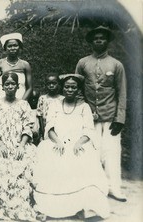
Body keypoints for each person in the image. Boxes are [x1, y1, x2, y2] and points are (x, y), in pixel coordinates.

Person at [33, 74, 110, 220]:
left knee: (82, 161)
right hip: (57, 142)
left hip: (78, 143)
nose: (70, 89)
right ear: (63, 88)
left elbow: (88, 130)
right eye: (67, 87)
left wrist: (79, 143)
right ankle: (49, 207)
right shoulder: (55, 105)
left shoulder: (84, 107)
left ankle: (86, 207)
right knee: (51, 160)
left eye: (73, 87)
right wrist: (58, 141)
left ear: (78, 90)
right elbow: (49, 127)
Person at [75, 26, 127, 202]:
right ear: (91, 42)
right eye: (95, 38)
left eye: (102, 38)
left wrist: (120, 118)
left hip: (111, 115)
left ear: (107, 41)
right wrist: (84, 112)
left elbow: (122, 93)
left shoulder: (116, 64)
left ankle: (114, 188)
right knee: (91, 153)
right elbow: (77, 88)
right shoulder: (83, 63)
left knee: (112, 152)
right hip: (90, 116)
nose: (99, 40)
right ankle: (94, 188)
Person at [0, 72, 37, 221]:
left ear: (17, 86)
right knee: (1, 163)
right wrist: (0, 144)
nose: (9, 87)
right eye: (6, 84)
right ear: (2, 87)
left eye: (12, 84)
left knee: (23, 162)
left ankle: (22, 203)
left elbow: (28, 127)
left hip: (19, 143)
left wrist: (21, 146)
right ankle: (4, 203)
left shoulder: (23, 104)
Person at [0, 32, 32, 100]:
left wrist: (21, 103)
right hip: (2, 99)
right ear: (5, 48)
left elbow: (29, 88)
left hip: (21, 99)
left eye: (15, 45)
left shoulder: (25, 65)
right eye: (9, 46)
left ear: (19, 47)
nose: (13, 48)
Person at [37, 73, 64, 140]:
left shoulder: (62, 99)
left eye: (54, 83)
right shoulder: (42, 98)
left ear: (59, 84)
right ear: (45, 85)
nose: (51, 85)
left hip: (59, 127)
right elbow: (40, 116)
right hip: (46, 127)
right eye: (49, 83)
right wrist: (42, 132)